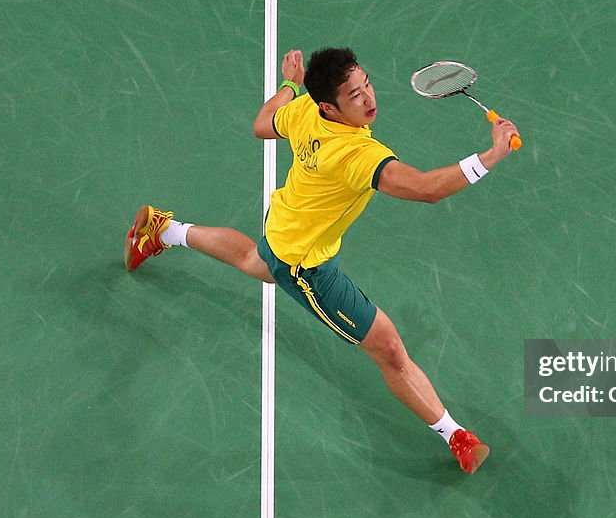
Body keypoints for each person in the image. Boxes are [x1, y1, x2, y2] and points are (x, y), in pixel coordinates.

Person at [124, 47, 519, 473]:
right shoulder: (356, 154)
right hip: (306, 265)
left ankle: (163, 230)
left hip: (284, 221)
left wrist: (289, 86)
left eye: (366, 83)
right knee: (388, 349)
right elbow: (426, 189)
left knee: (256, 261)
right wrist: (491, 155)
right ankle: (455, 435)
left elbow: (261, 125)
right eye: (354, 95)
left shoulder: (304, 112)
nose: (369, 98)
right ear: (330, 105)